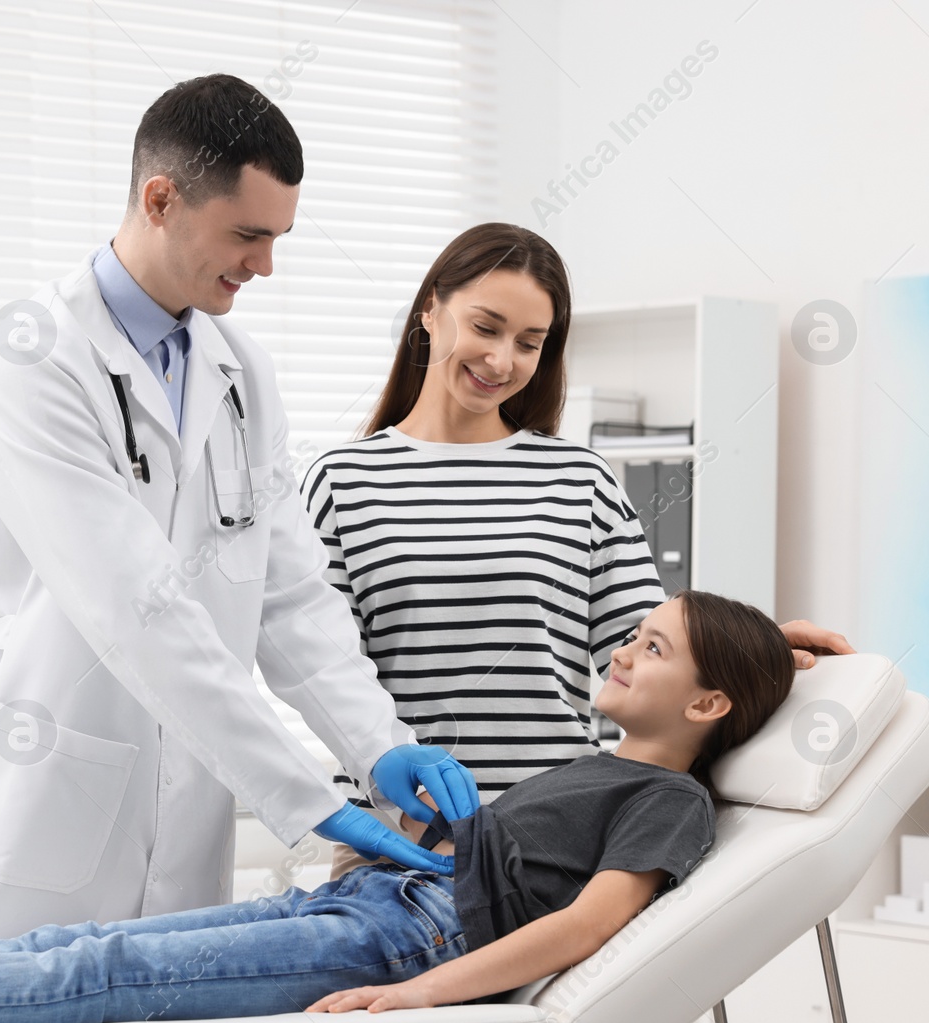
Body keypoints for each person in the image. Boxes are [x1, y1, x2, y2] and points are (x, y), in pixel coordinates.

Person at [0, 588, 793, 1023]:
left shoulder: (670, 798)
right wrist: (784, 644)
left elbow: (586, 928)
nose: (623, 646)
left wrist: (413, 994)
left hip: (408, 937)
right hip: (373, 898)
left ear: (705, 702)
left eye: (650, 645)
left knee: (96, 975)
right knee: (81, 949)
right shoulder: (604, 763)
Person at [0, 72, 477, 943]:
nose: (266, 265)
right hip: (48, 788)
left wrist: (378, 743)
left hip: (187, 817)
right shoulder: (39, 357)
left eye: (279, 237)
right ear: (162, 198)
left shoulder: (242, 373)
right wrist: (303, 794)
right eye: (249, 234)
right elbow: (133, 605)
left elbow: (290, 595)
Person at [300, 222, 855, 879]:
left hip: (550, 845)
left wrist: (751, 646)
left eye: (529, 343)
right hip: (393, 848)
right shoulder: (342, 480)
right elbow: (321, 669)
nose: (502, 360)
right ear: (431, 310)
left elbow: (644, 648)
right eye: (486, 326)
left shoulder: (578, 481)